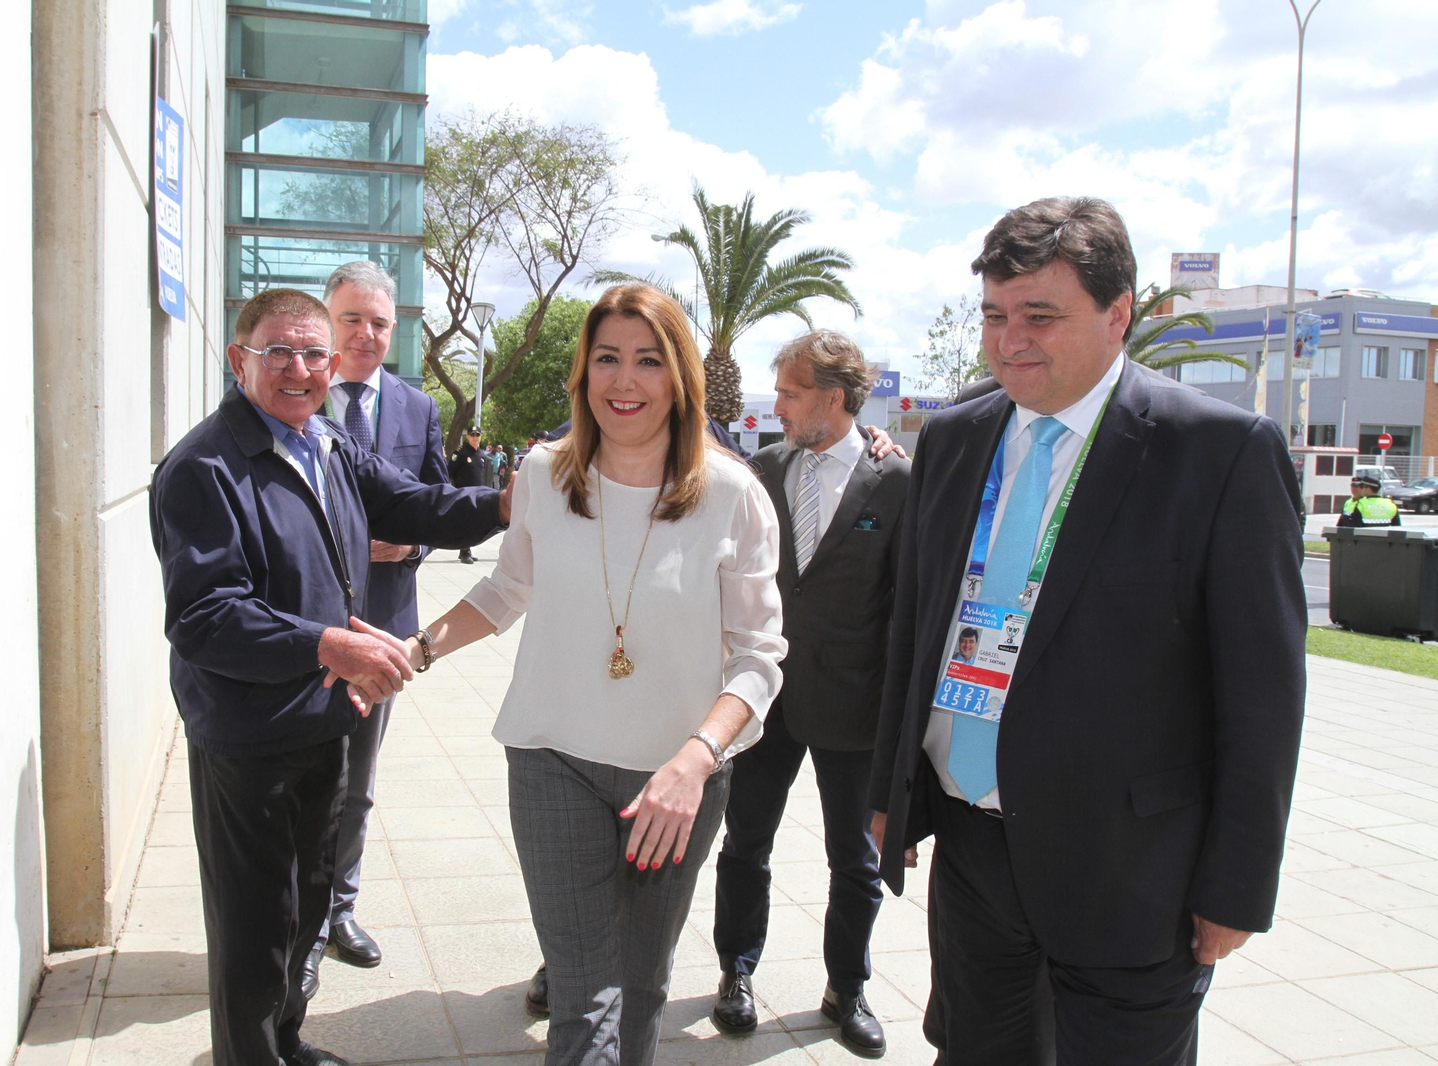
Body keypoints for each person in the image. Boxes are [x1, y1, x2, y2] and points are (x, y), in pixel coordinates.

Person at [868, 197, 1307, 1065]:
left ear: (1119, 314)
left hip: (1132, 867)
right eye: (995, 316)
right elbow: (914, 630)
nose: (1009, 341)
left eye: (1040, 316)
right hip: (974, 847)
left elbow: (1262, 699)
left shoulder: (1218, 453)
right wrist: (890, 791)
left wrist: (1238, 888)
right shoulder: (953, 439)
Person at [402, 282, 786, 1066]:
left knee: (641, 988)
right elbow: (506, 589)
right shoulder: (544, 475)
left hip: (675, 785)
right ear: (581, 374)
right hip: (553, 764)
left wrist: (696, 757)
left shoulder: (735, 495)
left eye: (647, 361)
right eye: (606, 358)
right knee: (583, 996)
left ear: (679, 376)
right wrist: (418, 647)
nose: (624, 381)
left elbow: (759, 656)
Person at [149, 287, 508, 1066]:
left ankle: (285, 1039)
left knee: (310, 900)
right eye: (278, 351)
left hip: (327, 721)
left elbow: (416, 505)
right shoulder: (204, 468)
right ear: (239, 359)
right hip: (250, 736)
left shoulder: (328, 444)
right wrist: (326, 645)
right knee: (253, 923)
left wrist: (510, 502)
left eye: (315, 353)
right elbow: (205, 617)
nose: (300, 369)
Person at [711, 330, 911, 1057]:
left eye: (792, 393)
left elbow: (907, 604)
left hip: (856, 708)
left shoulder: (895, 482)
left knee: (855, 862)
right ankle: (736, 973)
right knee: (745, 845)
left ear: (833, 398)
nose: (780, 405)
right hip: (763, 701)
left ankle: (845, 990)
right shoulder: (763, 467)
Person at [302, 260, 451, 995]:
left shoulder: (417, 409)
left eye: (380, 323)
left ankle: (339, 909)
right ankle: (294, 913)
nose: (365, 334)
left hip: (384, 629)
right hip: (301, 629)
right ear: (327, 321)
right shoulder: (295, 395)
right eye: (351, 319)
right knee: (299, 779)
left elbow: (438, 498)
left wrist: (412, 544)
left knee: (357, 781)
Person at [450, 426, 491, 562]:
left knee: (473, 523)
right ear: (467, 437)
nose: (475, 437)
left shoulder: (481, 455)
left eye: (477, 435)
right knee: (465, 522)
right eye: (472, 435)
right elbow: (450, 472)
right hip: (464, 493)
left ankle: (467, 550)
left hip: (478, 494)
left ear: (480, 437)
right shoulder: (461, 453)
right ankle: (464, 551)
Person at [1337, 472, 1402, 527]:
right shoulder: (1391, 504)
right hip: (1384, 541)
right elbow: (1397, 528)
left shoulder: (1361, 504)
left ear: (1368, 489)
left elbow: (1355, 527)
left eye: (1361, 487)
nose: (1360, 489)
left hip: (1363, 540)